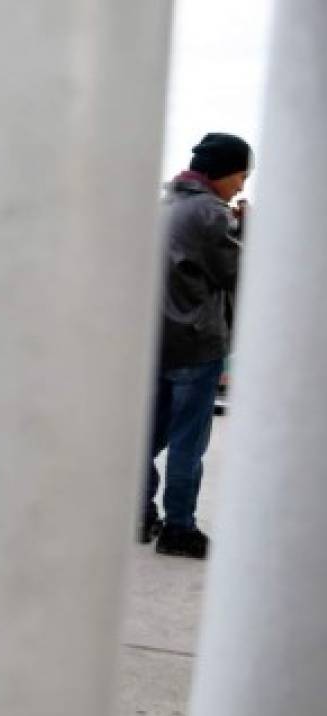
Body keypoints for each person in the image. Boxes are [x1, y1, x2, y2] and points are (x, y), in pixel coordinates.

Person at [142, 133, 252, 559]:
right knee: (189, 443)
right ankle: (179, 529)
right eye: (241, 174)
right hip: (197, 345)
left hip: (157, 342)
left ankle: (138, 511)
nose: (241, 184)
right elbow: (237, 272)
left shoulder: (168, 204)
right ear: (223, 171)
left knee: (149, 434)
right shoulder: (209, 212)